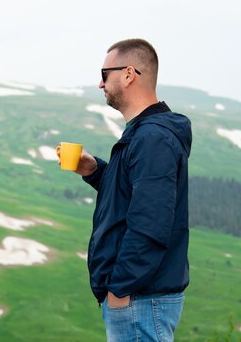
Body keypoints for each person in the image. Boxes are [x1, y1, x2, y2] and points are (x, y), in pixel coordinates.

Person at [63, 38, 192, 342]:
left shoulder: (152, 138)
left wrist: (120, 289)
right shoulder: (145, 133)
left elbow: (150, 223)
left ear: (129, 74)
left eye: (105, 73)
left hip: (140, 299)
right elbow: (133, 195)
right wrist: (95, 170)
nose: (100, 83)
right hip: (139, 297)